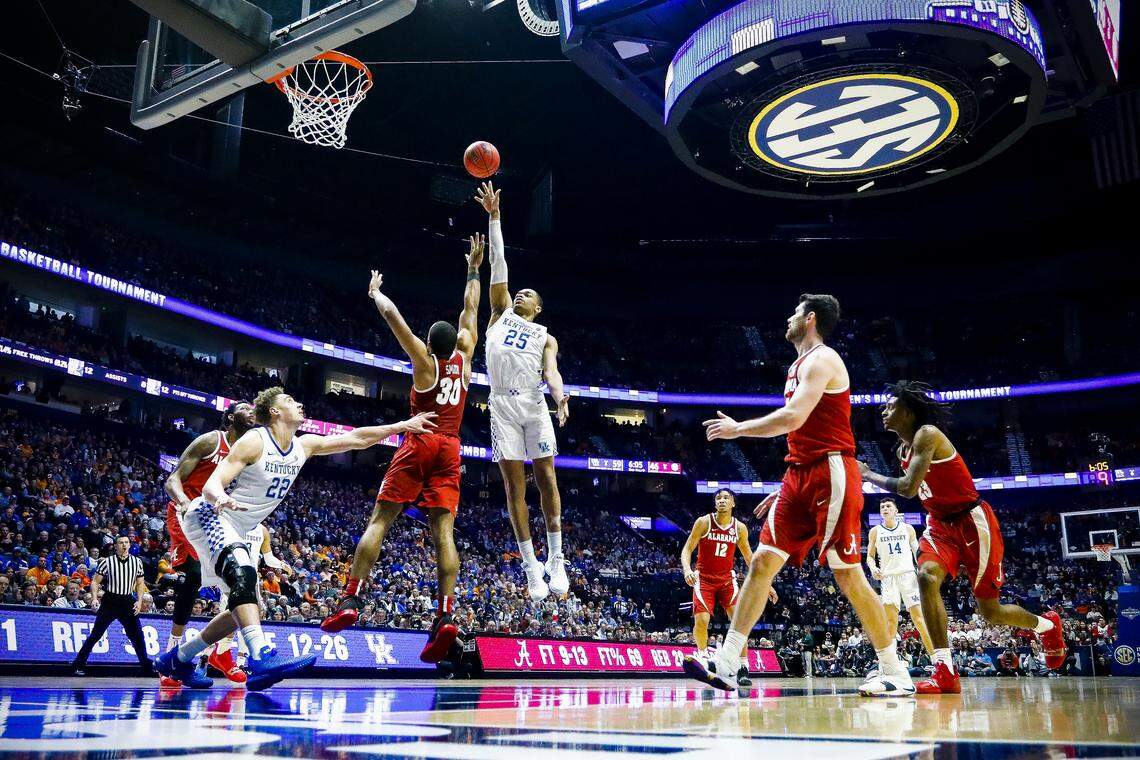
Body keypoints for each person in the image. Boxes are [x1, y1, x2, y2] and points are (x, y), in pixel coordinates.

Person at [689, 294, 914, 696]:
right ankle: (727, 662)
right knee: (760, 563)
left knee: (847, 575)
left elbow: (794, 417)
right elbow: (800, 433)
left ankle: (894, 671)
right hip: (799, 475)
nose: (787, 318)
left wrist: (739, 429)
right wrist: (785, 489)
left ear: (810, 319)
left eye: (794, 312)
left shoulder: (825, 359)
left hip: (831, 473)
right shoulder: (796, 365)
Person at [154, 386, 437, 691]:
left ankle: (178, 659)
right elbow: (211, 486)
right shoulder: (255, 440)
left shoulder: (304, 445)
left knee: (243, 607)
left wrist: (401, 427)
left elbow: (357, 438)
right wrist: (222, 498)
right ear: (274, 412)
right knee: (243, 577)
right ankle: (261, 655)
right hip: (211, 515)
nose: (300, 402)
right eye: (290, 400)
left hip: (242, 526)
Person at [322, 235, 484, 665]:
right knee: (443, 533)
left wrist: (377, 293)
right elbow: (471, 309)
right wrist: (473, 268)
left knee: (382, 520)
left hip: (419, 438)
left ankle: (350, 599)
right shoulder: (466, 354)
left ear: (431, 345)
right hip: (452, 447)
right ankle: (445, 613)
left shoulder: (425, 362)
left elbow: (396, 320)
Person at [859, 380, 1066, 694]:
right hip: (940, 526)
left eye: (892, 406)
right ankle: (945, 671)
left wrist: (868, 474)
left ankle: (1048, 625)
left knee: (991, 612)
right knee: (926, 577)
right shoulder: (902, 448)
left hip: (972, 522)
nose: (884, 410)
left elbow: (909, 488)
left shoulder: (927, 435)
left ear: (909, 411)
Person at [476, 181, 571, 601]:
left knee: (545, 476)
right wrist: (494, 217)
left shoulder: (545, 335)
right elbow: (498, 267)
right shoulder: (498, 315)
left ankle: (556, 558)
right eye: (519, 291)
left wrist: (560, 397)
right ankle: (531, 567)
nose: (521, 293)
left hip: (534, 404)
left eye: (529, 294)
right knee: (515, 488)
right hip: (500, 405)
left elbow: (551, 372)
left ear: (539, 308)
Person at [161, 400, 255, 687]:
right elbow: (172, 480)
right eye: (245, 408)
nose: (252, 411)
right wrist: (185, 504)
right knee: (192, 576)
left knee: (238, 584)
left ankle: (223, 652)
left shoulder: (250, 452)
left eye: (255, 408)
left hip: (219, 518)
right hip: (187, 513)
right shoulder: (211, 441)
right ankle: (171, 654)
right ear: (229, 417)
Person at [680, 488, 776, 687]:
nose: (721, 500)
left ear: (733, 503)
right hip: (704, 579)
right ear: (715, 503)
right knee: (702, 621)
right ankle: (705, 658)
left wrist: (766, 583)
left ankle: (743, 667)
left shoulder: (739, 528)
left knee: (738, 623)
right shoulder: (704, 522)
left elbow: (750, 557)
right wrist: (687, 569)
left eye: (726, 498)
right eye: (718, 498)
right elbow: (687, 549)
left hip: (726, 580)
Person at [866, 498, 934, 672]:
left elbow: (917, 552)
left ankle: (936, 660)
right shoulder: (875, 531)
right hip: (888, 578)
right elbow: (870, 556)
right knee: (890, 622)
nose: (885, 509)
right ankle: (888, 665)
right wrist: (873, 568)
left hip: (907, 576)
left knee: (919, 619)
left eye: (888, 506)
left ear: (896, 510)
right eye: (882, 507)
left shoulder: (907, 529)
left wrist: (923, 570)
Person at [71, 536, 154, 676]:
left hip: (127, 600)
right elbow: (95, 582)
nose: (124, 545)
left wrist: (139, 601)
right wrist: (94, 598)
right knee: (96, 634)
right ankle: (77, 665)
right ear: (115, 546)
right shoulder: (107, 561)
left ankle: (146, 667)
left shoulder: (137, 561)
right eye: (121, 543)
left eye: (126, 542)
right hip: (110, 600)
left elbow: (140, 583)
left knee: (137, 636)